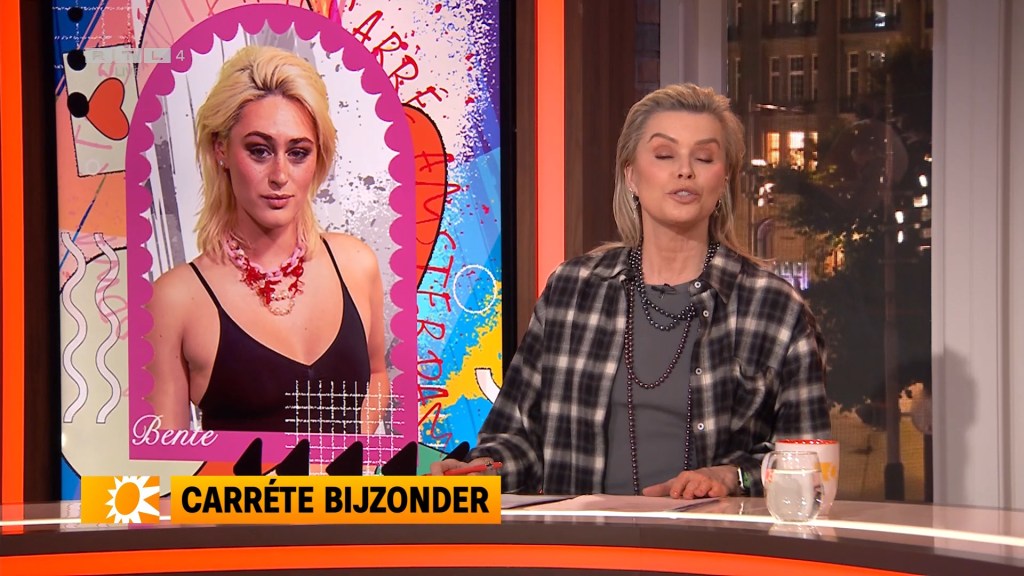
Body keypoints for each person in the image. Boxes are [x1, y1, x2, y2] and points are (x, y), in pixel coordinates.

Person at [431, 83, 831, 498]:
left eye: (704, 157)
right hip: (582, 538)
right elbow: (518, 440)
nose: (685, 170)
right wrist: (481, 471)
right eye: (664, 155)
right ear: (631, 175)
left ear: (723, 179)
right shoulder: (572, 291)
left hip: (708, 538)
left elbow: (812, 468)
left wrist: (733, 477)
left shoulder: (774, 309)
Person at [145, 45, 390, 435]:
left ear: (318, 157)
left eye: (298, 152)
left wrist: (348, 451)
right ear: (221, 149)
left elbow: (377, 374)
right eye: (259, 151)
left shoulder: (357, 265)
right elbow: (163, 460)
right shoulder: (175, 299)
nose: (280, 175)